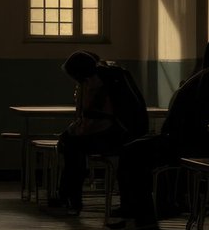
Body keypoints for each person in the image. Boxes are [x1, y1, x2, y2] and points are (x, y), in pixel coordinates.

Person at [110, 34, 209, 230]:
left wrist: (167, 135)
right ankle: (155, 208)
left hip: (195, 146)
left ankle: (141, 216)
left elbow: (175, 121)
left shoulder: (200, 80)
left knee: (132, 152)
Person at [51, 50, 149, 216]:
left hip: (115, 136)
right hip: (121, 133)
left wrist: (73, 132)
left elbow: (96, 119)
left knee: (72, 148)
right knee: (72, 146)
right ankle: (68, 196)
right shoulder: (107, 78)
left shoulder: (97, 84)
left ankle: (70, 197)